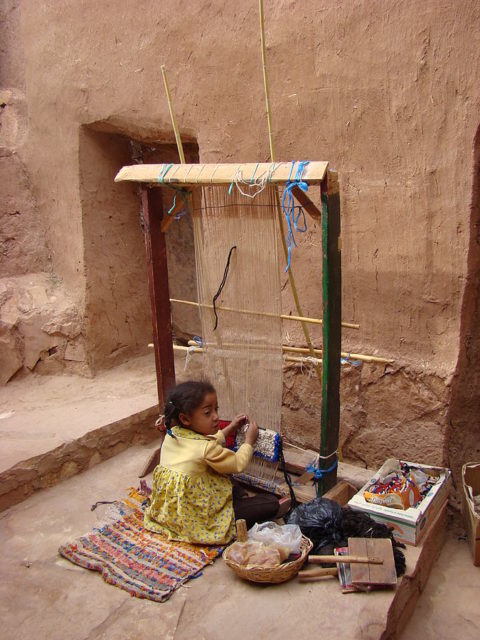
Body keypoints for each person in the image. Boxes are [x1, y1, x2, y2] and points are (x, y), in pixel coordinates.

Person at [144, 380, 279, 545]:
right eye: (207, 412)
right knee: (270, 503)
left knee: (225, 478)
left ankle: (235, 501)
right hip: (198, 517)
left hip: (174, 510)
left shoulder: (173, 434)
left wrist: (231, 427)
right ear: (185, 419)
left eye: (216, 409)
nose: (216, 416)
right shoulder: (206, 449)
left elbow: (203, 443)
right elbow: (237, 463)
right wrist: (249, 441)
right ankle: (230, 510)